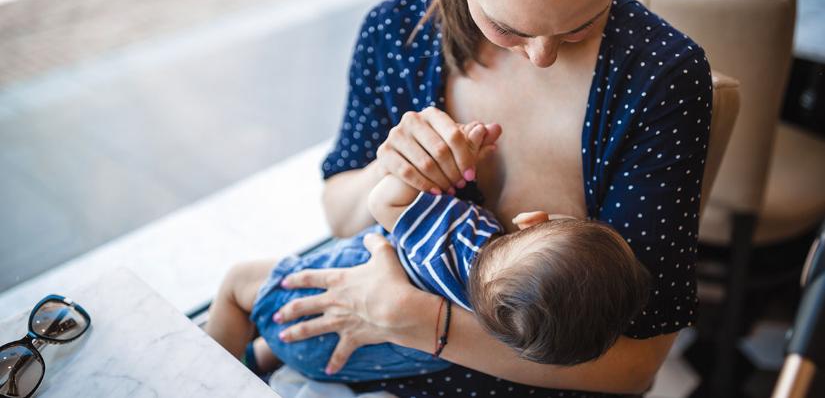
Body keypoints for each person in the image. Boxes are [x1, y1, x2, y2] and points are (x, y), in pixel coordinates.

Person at [257, 0, 713, 396]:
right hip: (352, 358)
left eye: (580, 25)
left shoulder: (661, 78)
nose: (542, 57)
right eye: (508, 28)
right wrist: (390, 166)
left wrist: (417, 319)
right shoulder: (397, 34)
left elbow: (636, 366)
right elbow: (339, 218)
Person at [205, 123, 651, 382]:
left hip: (315, 306)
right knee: (282, 340)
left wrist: (430, 172)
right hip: (344, 366)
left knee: (237, 283)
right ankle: (261, 358)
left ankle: (207, 380)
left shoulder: (462, 235)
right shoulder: (494, 328)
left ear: (532, 219)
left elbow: (384, 201)